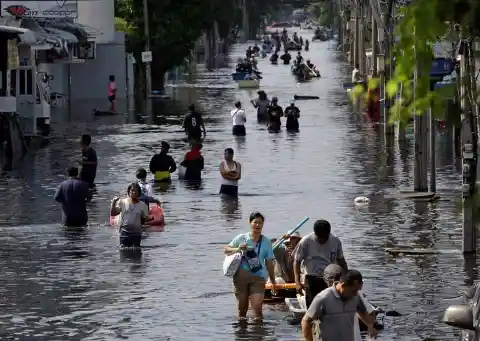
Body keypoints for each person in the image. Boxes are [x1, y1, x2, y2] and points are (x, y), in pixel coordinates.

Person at [224, 212, 277, 321]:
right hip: (240, 278)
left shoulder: (266, 241)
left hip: (259, 278)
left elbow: (270, 263)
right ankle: (242, 335)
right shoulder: (241, 238)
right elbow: (226, 250)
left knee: (257, 311)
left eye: (260, 223)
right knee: (242, 311)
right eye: (255, 222)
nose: (257, 225)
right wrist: (238, 249)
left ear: (263, 224)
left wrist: (273, 281)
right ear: (250, 223)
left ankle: (257, 335)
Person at [301, 270, 377, 341]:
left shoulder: (355, 296)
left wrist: (370, 326)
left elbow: (362, 312)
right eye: (353, 290)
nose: (355, 294)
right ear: (343, 285)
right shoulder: (323, 298)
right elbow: (306, 321)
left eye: (358, 290)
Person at [293, 219, 348, 308]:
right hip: (312, 277)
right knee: (312, 306)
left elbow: (342, 261)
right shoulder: (306, 241)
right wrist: (297, 282)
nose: (322, 240)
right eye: (320, 238)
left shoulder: (335, 241)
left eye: (325, 238)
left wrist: (347, 278)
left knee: (330, 305)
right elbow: (297, 261)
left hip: (330, 278)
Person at [110, 183, 152, 248]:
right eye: (132, 190)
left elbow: (145, 218)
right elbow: (113, 214)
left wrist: (150, 218)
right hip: (124, 233)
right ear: (128, 192)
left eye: (136, 191)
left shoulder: (143, 205)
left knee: (136, 253)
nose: (134, 192)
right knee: (123, 252)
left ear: (139, 193)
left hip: (136, 234)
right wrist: (113, 203)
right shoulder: (122, 202)